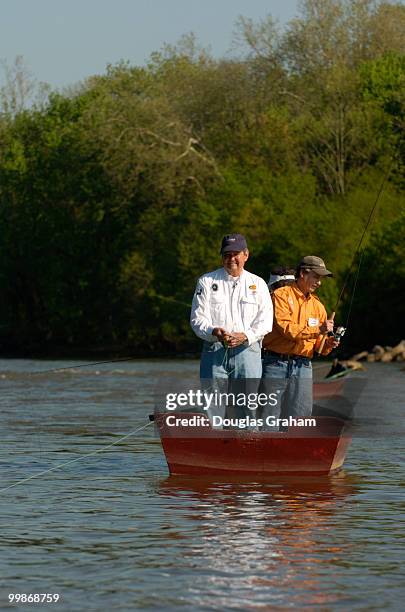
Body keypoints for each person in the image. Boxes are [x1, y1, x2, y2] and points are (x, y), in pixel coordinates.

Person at [190, 233, 273, 424]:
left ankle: (248, 445)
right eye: (226, 255)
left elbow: (266, 321)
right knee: (211, 405)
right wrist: (214, 332)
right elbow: (197, 320)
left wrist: (245, 335)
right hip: (214, 350)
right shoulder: (206, 281)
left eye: (236, 254)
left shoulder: (258, 283)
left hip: (248, 351)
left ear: (246, 255)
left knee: (248, 406)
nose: (231, 259)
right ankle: (214, 448)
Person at [261, 255, 339, 427]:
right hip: (275, 363)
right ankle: (265, 450)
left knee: (300, 419)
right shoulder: (280, 295)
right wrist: (319, 329)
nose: (319, 283)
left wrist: (328, 344)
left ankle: (293, 452)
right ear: (303, 273)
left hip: (303, 366)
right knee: (269, 416)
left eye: (321, 279)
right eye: (316, 277)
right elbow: (286, 329)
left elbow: (318, 346)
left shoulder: (318, 306)